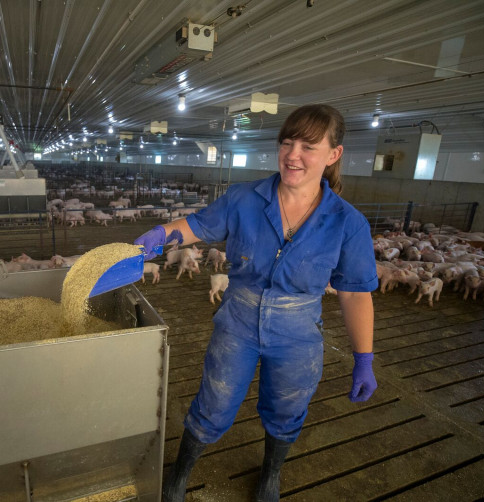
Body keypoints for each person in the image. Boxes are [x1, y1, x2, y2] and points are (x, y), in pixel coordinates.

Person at [134, 104, 378, 502]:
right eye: (287, 142)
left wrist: (363, 358)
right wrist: (161, 234)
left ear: (334, 155)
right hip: (239, 319)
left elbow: (353, 293)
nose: (292, 154)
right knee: (213, 402)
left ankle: (270, 475)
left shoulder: (347, 223)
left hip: (298, 331)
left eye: (308, 146)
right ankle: (178, 475)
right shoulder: (244, 198)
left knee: (287, 409)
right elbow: (197, 226)